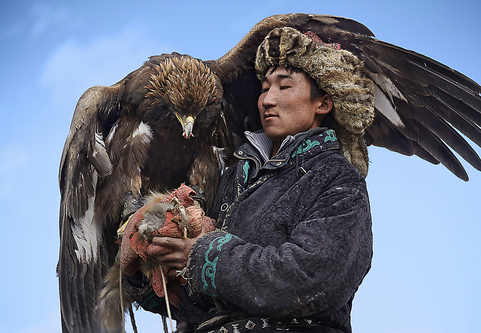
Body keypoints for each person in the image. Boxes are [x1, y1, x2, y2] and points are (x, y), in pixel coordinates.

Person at [125, 27, 374, 333]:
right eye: (264, 88)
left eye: (284, 88)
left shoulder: (336, 179)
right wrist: (148, 264)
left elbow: (315, 277)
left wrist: (205, 256)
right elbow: (193, 301)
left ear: (322, 103)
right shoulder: (232, 178)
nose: (267, 100)